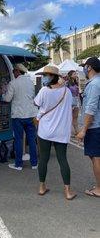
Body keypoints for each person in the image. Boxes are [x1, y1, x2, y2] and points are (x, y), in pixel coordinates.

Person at [35, 65, 76, 200]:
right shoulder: (67, 92)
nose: (44, 77)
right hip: (61, 131)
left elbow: (37, 104)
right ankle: (68, 191)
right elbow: (72, 107)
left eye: (46, 75)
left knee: (43, 159)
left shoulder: (43, 91)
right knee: (62, 159)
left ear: (52, 77)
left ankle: (42, 187)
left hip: (45, 131)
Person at [2, 63, 38, 171]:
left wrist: (2, 94)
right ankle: (34, 163)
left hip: (18, 115)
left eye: (14, 71)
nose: (13, 73)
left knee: (18, 139)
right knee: (32, 139)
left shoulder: (13, 83)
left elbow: (7, 99)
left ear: (18, 71)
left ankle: (18, 164)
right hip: (31, 114)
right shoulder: (30, 83)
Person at [76, 57, 100, 198]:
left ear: (89, 67)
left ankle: (98, 188)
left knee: (96, 158)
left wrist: (83, 130)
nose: (83, 69)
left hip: (94, 127)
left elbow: (90, 109)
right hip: (97, 125)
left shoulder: (93, 84)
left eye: (84, 66)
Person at [66, 70, 80, 136]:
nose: (76, 75)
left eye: (76, 74)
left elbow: (78, 93)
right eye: (74, 74)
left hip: (76, 101)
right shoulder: (67, 83)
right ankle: (70, 132)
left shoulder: (76, 82)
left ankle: (77, 131)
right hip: (70, 103)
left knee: (75, 117)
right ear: (71, 75)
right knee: (69, 118)